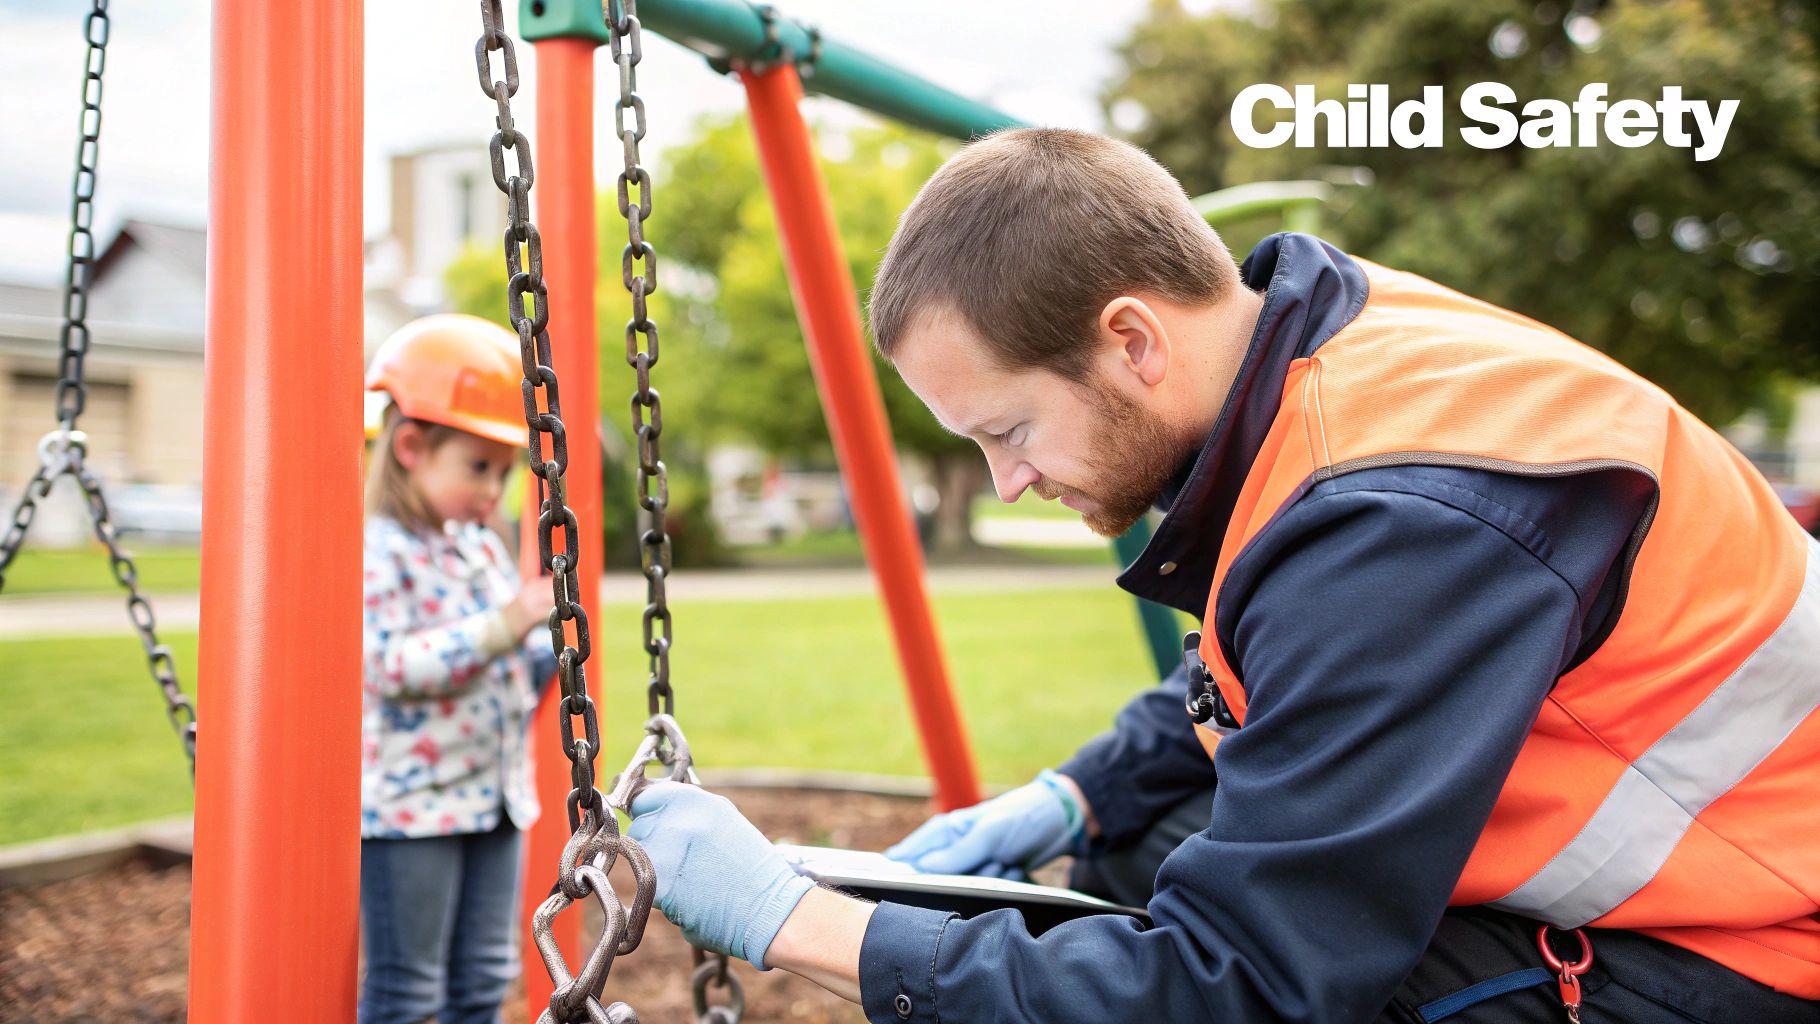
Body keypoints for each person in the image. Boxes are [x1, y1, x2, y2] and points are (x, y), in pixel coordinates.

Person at [624, 129, 1820, 1022]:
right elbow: (1277, 676)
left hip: (1751, 942)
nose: (1005, 484)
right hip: (1712, 871)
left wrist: (803, 923)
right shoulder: (1326, 352)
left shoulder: (1392, 525)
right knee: (1127, 847)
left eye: (1009, 431)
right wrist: (1076, 794)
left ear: (1132, 340)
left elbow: (1245, 984)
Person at [358, 314, 554, 1024]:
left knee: (485, 979)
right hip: (411, 812)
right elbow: (388, 665)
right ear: (411, 447)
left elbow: (503, 668)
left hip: (495, 797)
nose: (493, 492)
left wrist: (543, 647)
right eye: (479, 467)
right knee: (409, 989)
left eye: (504, 473)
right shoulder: (380, 552)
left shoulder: (476, 547)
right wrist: (504, 628)